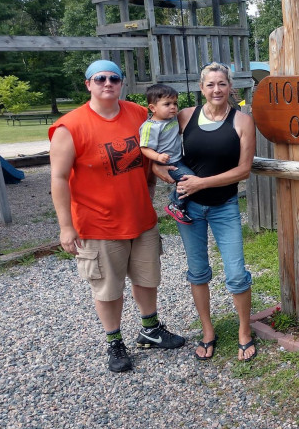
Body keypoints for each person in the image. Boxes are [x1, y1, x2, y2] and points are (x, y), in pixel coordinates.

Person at [50, 60, 185, 374]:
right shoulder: (70, 127)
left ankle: (150, 329)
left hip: (140, 217)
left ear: (122, 83)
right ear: (89, 84)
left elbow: (155, 145)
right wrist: (65, 227)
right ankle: (114, 342)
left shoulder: (138, 114)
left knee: (147, 278)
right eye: (100, 78)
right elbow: (57, 178)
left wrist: (158, 173)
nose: (107, 83)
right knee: (108, 289)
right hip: (98, 223)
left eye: (114, 78)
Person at [153, 62, 257, 362]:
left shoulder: (242, 122)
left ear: (230, 87)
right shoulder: (185, 116)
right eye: (210, 84)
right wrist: (162, 171)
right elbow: (157, 148)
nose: (216, 90)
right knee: (198, 272)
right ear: (202, 88)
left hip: (224, 207)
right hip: (190, 208)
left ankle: (244, 332)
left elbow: (244, 170)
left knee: (237, 275)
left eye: (222, 84)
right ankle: (208, 331)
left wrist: (202, 183)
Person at [139, 83, 195, 225]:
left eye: (175, 103)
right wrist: (158, 157)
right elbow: (144, 148)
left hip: (178, 158)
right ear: (153, 108)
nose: (173, 107)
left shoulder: (172, 118)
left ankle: (184, 202)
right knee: (189, 179)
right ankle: (175, 204)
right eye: (167, 104)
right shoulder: (150, 127)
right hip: (167, 163)